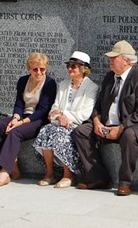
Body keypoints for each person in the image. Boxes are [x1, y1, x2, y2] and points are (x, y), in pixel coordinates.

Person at [72, 40, 138, 196]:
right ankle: (98, 177)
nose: (110, 61)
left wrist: (121, 127)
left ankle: (125, 182)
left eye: (114, 58)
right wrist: (97, 121)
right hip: (108, 126)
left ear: (127, 61)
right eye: (110, 58)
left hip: (137, 127)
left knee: (129, 135)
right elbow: (97, 106)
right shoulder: (110, 77)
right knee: (81, 131)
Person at [33, 51, 98, 188]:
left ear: (83, 68)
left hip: (77, 124)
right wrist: (58, 116)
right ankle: (50, 173)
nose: (69, 69)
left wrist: (64, 114)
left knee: (62, 134)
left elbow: (85, 113)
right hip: (58, 122)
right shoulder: (63, 85)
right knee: (46, 130)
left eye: (73, 66)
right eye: (68, 65)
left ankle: (68, 175)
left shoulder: (91, 87)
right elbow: (54, 107)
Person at [0, 51, 57, 187]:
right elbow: (19, 104)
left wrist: (20, 123)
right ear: (29, 69)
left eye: (42, 69)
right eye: (35, 69)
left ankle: (5, 172)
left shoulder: (50, 83)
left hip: (38, 120)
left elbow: (43, 111)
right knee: (0, 124)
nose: (39, 72)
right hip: (22, 116)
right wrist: (15, 118)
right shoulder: (23, 81)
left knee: (14, 132)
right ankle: (13, 165)